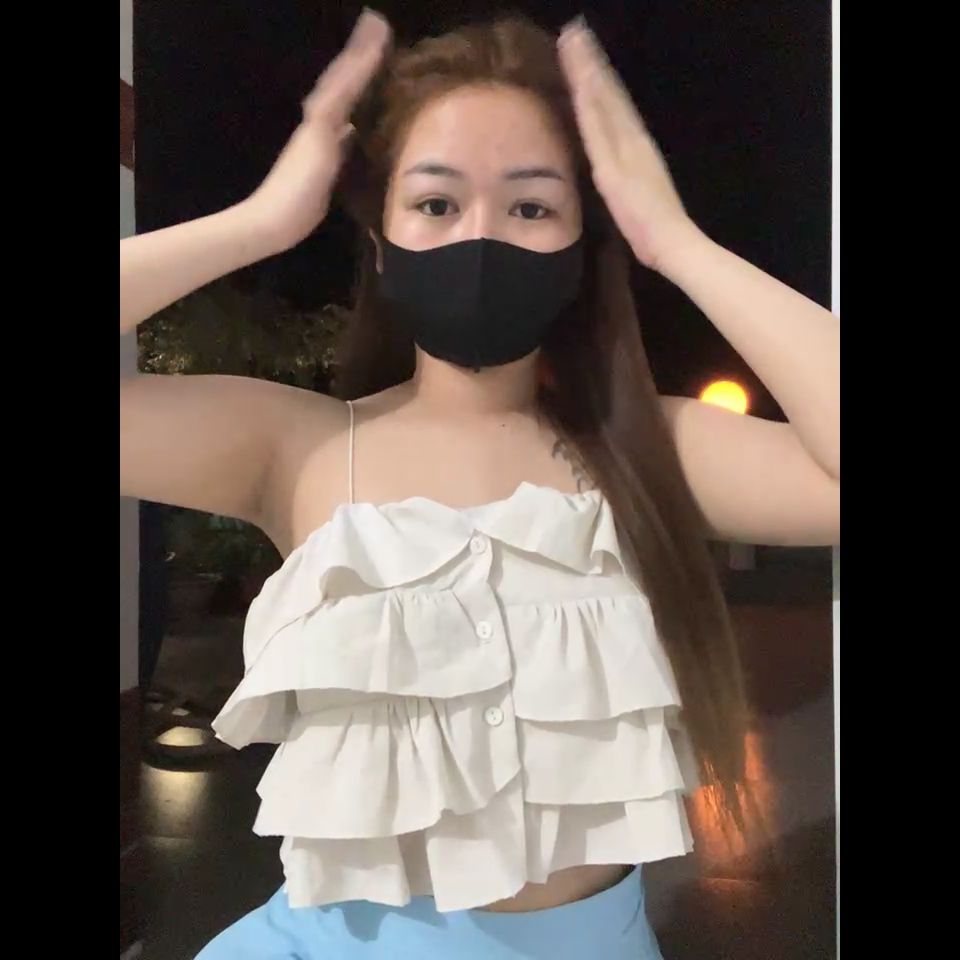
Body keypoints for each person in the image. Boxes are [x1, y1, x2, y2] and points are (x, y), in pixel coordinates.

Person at [119, 11, 839, 959]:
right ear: (381, 241)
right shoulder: (296, 447)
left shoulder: (646, 447)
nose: (481, 236)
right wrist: (260, 222)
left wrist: (676, 240)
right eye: (435, 202)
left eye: (531, 207)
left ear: (582, 244)